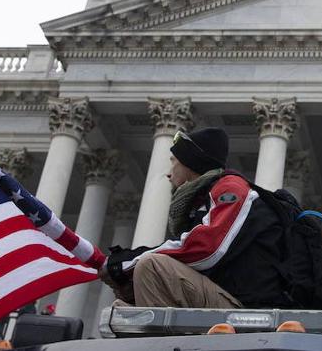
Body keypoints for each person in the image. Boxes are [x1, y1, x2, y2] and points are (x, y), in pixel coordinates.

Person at [102, 126, 259, 309]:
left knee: (151, 266)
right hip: (223, 295)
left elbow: (207, 249)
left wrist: (125, 263)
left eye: (173, 162)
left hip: (244, 306)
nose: (169, 173)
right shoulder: (203, 200)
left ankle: (155, 334)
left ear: (190, 163)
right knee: (121, 308)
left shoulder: (230, 187)